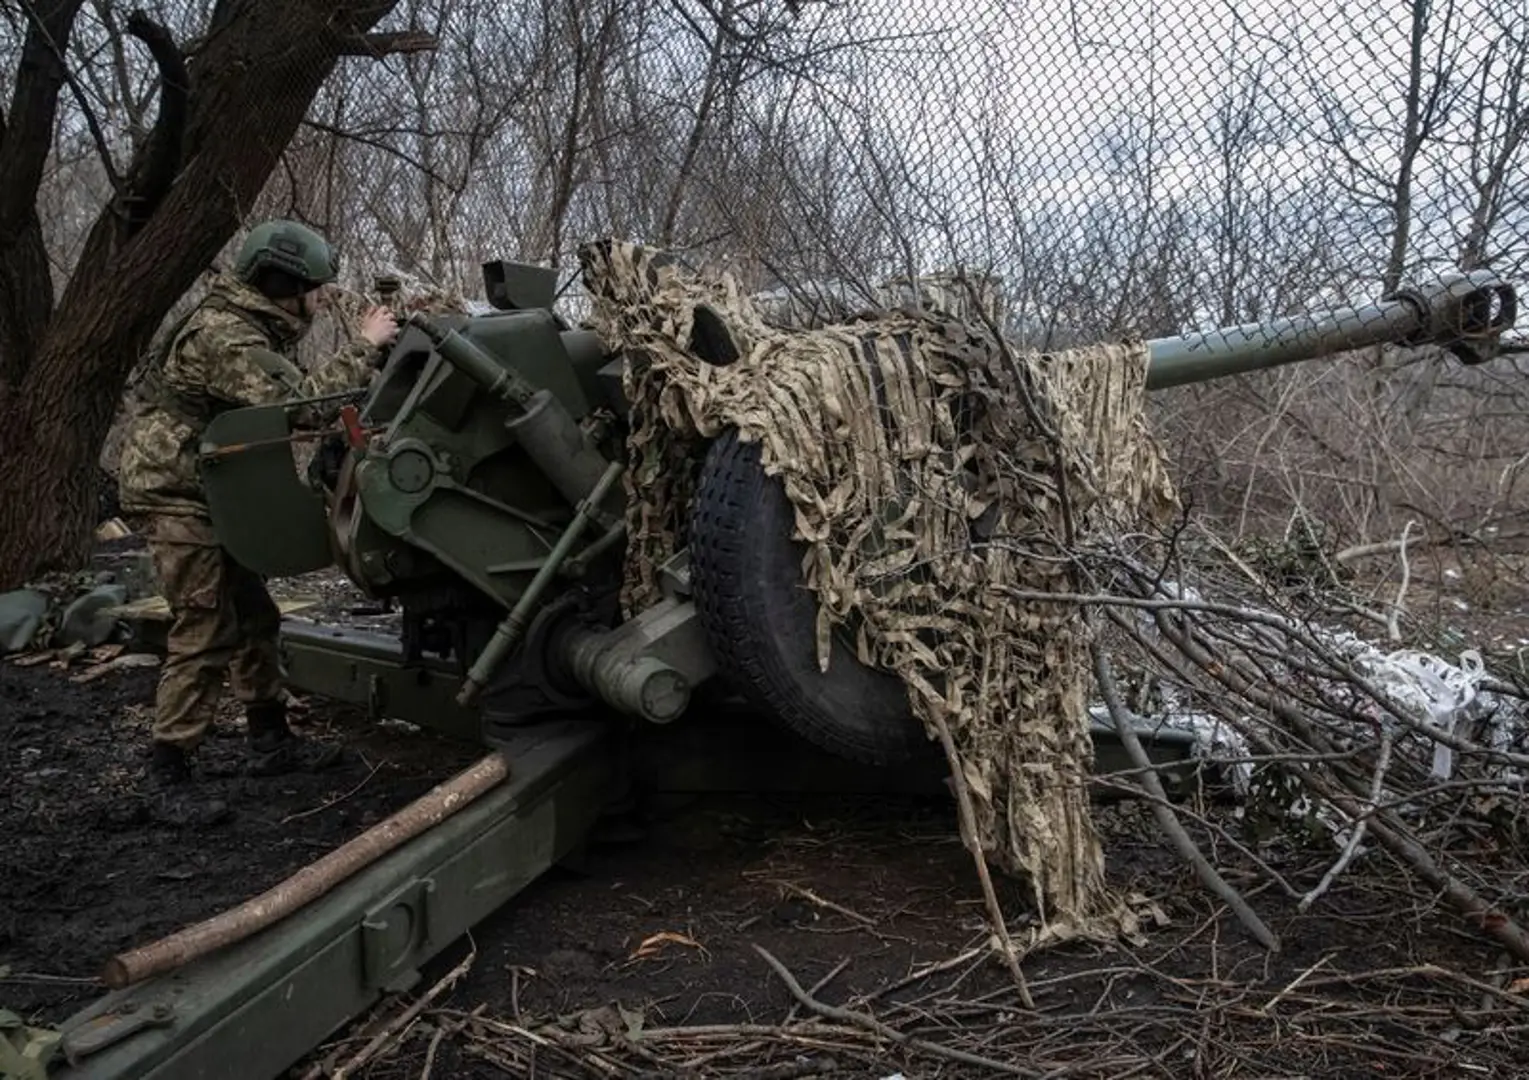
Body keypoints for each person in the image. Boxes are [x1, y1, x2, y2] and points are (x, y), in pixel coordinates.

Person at [117, 219, 398, 821]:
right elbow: (303, 406)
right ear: (282, 283)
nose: (322, 301)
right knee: (205, 627)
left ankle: (270, 739)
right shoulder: (224, 336)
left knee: (256, 617)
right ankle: (166, 773)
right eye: (315, 289)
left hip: (210, 490)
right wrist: (365, 344)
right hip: (177, 494)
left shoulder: (246, 324)